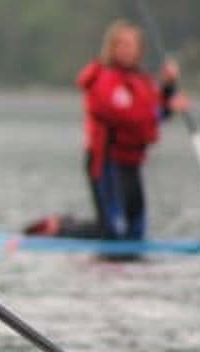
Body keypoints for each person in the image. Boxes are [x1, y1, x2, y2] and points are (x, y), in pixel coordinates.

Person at [25, 19, 188, 240]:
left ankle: (78, 229)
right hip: (106, 163)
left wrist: (168, 87)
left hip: (131, 164)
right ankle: (58, 228)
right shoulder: (102, 80)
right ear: (112, 48)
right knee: (112, 231)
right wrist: (165, 108)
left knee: (135, 232)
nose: (128, 50)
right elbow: (127, 116)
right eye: (122, 45)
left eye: (132, 45)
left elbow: (155, 109)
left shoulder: (141, 81)